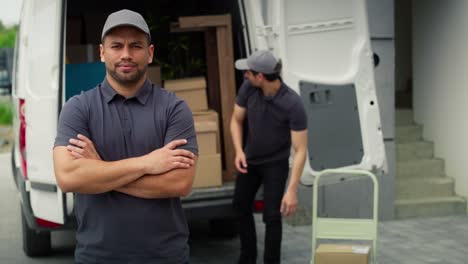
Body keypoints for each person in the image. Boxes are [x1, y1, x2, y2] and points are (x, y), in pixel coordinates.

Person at [53, 9, 198, 264]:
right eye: (116, 46)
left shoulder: (174, 109)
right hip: (97, 256)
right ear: (102, 52)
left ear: (150, 53)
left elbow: (178, 183)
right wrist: (146, 164)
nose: (126, 54)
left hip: (165, 256)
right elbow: (68, 177)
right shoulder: (78, 108)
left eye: (136, 46)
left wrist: (98, 170)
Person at [230, 50, 308, 264]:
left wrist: (292, 190)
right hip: (251, 160)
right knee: (240, 205)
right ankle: (247, 259)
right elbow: (236, 120)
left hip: (276, 163)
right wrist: (239, 150)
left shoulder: (293, 103)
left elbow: (301, 150)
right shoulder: (248, 88)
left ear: (260, 77)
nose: (245, 75)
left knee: (272, 216)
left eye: (248, 72)